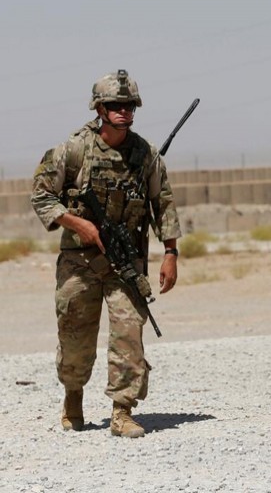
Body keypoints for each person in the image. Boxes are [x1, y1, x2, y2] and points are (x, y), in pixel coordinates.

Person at [31, 69, 182, 438]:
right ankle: (73, 397)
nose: (124, 111)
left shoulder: (145, 155)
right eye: (115, 105)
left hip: (125, 262)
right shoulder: (74, 149)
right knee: (75, 335)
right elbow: (41, 195)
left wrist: (171, 253)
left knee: (129, 332)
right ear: (99, 108)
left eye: (129, 105)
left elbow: (162, 203)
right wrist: (77, 223)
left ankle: (122, 410)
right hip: (79, 263)